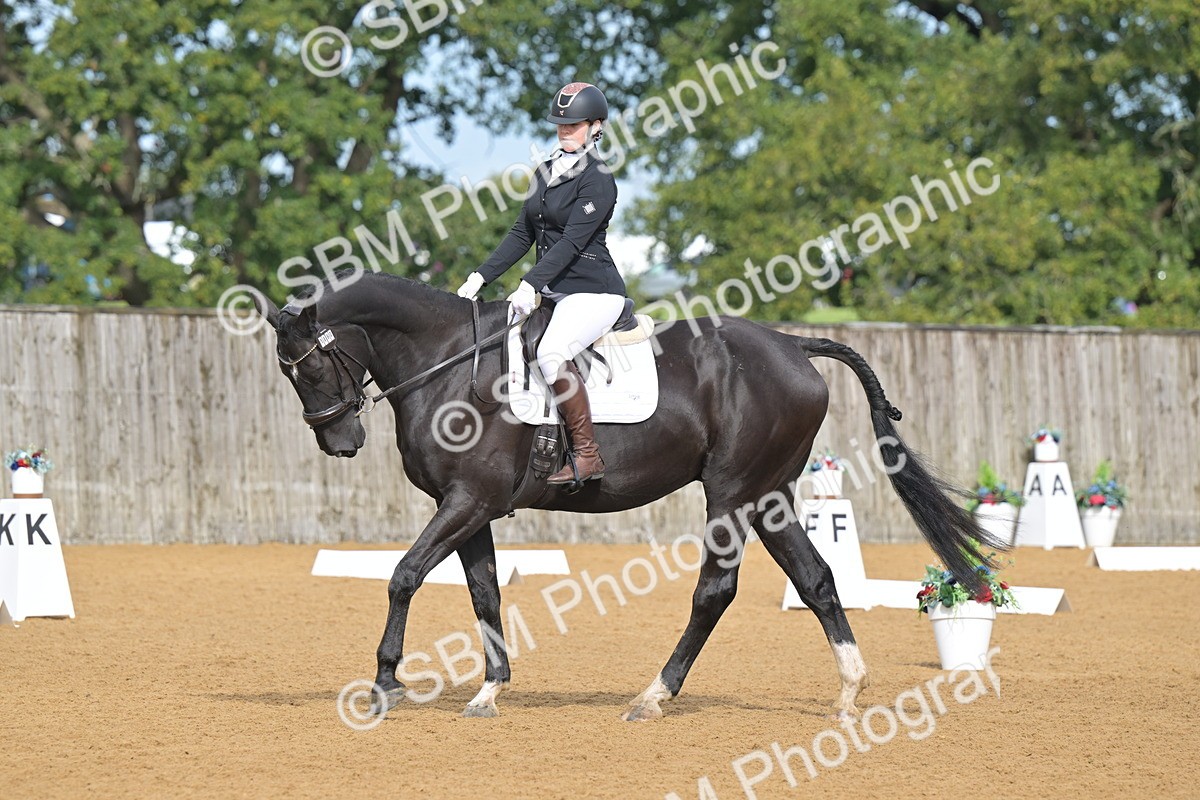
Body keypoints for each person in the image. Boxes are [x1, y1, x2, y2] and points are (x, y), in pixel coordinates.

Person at [456, 82, 625, 485]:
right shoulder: (545, 171)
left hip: (594, 292)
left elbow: (572, 242)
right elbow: (522, 234)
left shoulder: (599, 179)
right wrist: (480, 276)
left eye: (574, 124)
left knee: (550, 353)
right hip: (553, 292)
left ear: (596, 126)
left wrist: (530, 283)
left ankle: (587, 454)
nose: (565, 130)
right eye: (561, 124)